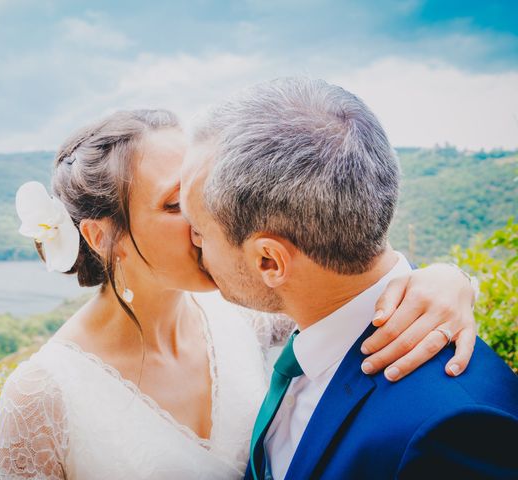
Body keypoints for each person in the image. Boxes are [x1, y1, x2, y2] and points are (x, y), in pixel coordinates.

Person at [0, 109, 479, 479]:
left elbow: (346, 292)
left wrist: (444, 280)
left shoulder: (241, 312)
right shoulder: (40, 396)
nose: (210, 213)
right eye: (177, 203)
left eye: (205, 186)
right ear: (100, 236)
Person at [179, 77, 518, 480]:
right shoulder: (313, 326)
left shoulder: (452, 431)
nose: (191, 244)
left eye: (200, 231)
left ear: (269, 261)